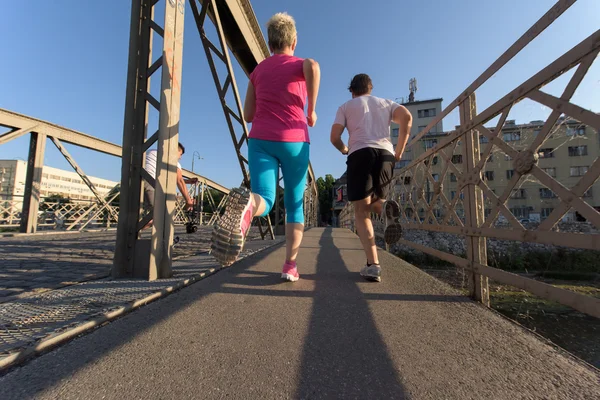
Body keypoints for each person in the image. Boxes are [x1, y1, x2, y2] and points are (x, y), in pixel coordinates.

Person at [211, 12, 320, 282]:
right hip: (294, 140)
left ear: (270, 44)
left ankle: (249, 204)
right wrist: (312, 110)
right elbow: (314, 67)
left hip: (260, 140)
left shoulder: (257, 71)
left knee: (266, 200)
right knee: (295, 206)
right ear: (293, 41)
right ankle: (289, 266)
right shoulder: (299, 64)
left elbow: (248, 115)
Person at [330, 73, 412, 282]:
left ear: (352, 90)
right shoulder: (386, 103)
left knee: (361, 211)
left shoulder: (346, 107)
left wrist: (344, 149)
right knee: (377, 202)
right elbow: (407, 119)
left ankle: (373, 265)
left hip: (360, 153)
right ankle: (385, 209)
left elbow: (334, 137)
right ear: (370, 88)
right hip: (385, 154)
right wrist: (399, 151)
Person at [143, 142, 197, 228]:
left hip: (136, 181)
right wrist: (188, 201)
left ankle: (129, 233)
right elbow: (178, 180)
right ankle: (133, 233)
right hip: (151, 184)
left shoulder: (151, 152)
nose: (180, 158)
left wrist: (188, 181)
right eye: (180, 154)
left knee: (133, 214)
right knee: (160, 216)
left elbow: (170, 177)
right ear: (175, 151)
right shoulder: (171, 159)